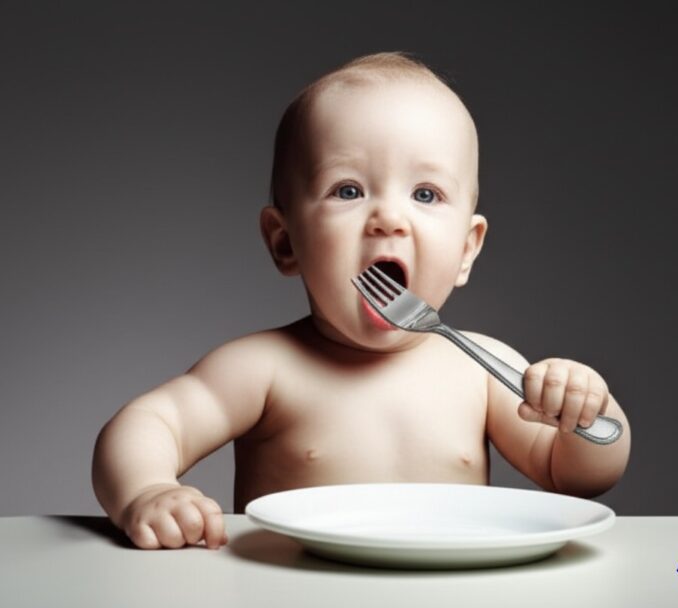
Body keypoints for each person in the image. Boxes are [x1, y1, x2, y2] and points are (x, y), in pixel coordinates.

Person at [92, 52, 631, 550]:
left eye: (425, 194)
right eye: (347, 190)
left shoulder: (482, 370)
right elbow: (149, 422)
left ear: (466, 249)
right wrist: (147, 490)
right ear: (285, 242)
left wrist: (587, 411)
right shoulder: (264, 369)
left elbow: (574, 475)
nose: (389, 218)